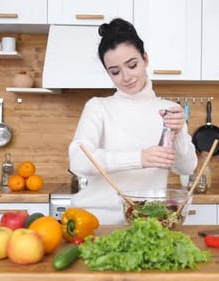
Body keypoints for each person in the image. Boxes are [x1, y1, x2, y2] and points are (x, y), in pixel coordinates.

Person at [68, 18, 198, 224]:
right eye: (115, 72)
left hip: (146, 219)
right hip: (95, 219)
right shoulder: (98, 107)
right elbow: (78, 161)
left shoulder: (169, 110)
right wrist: (139, 158)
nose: (126, 77)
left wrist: (180, 131)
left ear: (145, 59)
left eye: (132, 65)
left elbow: (187, 168)